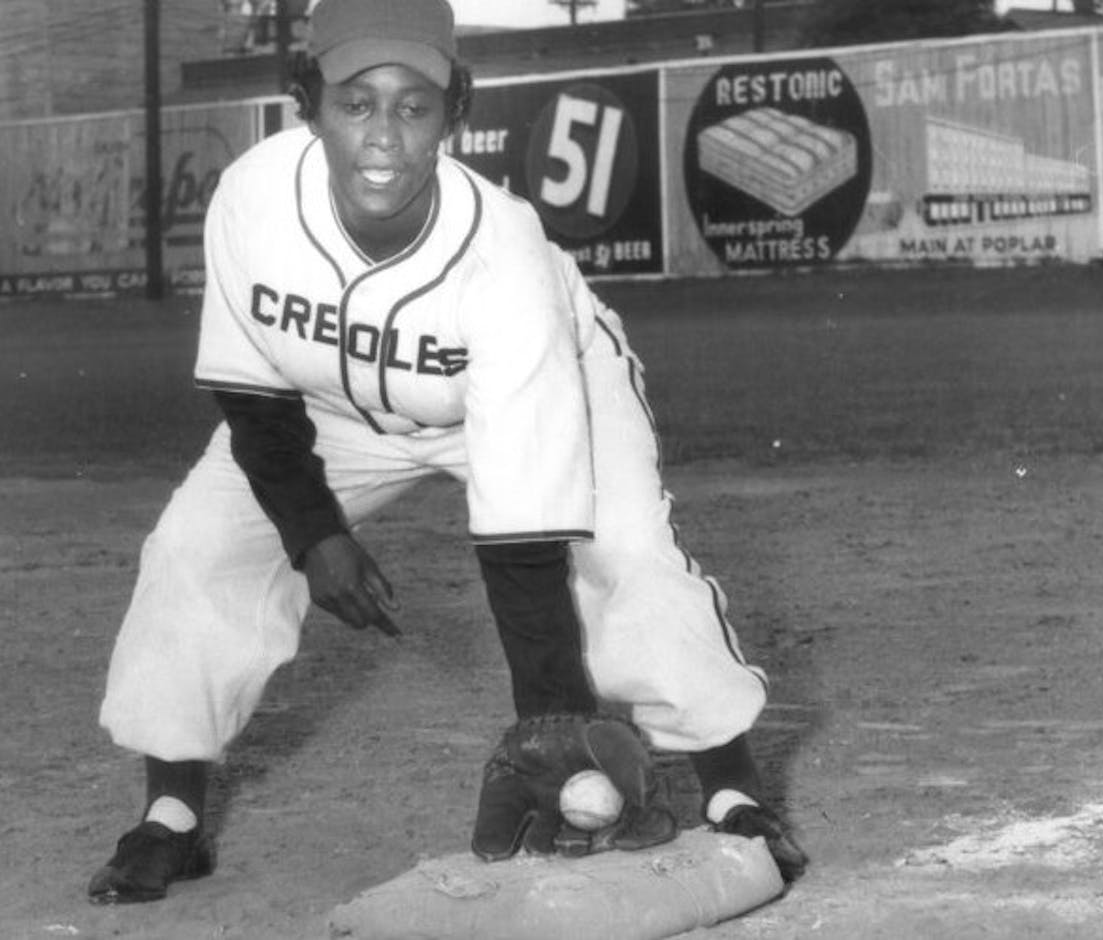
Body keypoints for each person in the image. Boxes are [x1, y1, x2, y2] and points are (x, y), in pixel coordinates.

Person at [86, 0, 807, 904]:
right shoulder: (254, 200)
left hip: (541, 390)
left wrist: (549, 723)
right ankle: (173, 817)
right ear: (307, 102)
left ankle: (734, 790)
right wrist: (315, 536)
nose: (383, 133)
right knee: (196, 548)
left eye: (414, 104)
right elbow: (250, 393)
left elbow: (522, 515)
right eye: (355, 103)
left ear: (454, 111)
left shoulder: (500, 252)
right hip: (331, 408)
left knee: (623, 553)